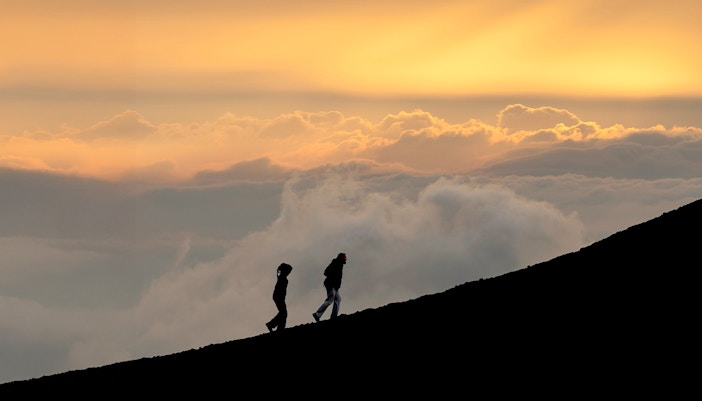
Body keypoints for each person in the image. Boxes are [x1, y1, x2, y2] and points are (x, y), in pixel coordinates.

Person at [312, 252, 347, 322]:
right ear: (341, 257)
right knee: (330, 299)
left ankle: (333, 316)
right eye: (345, 257)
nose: (346, 258)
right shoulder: (336, 263)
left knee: (338, 299)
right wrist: (333, 279)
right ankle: (317, 314)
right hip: (331, 284)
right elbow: (326, 272)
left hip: (335, 285)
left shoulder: (339, 264)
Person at [266, 263, 293, 332]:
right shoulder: (282, 278)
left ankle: (278, 327)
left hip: (278, 297)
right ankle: (273, 325)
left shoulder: (282, 278)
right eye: (288, 271)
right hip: (278, 297)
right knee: (284, 313)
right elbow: (280, 289)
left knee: (283, 313)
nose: (289, 273)